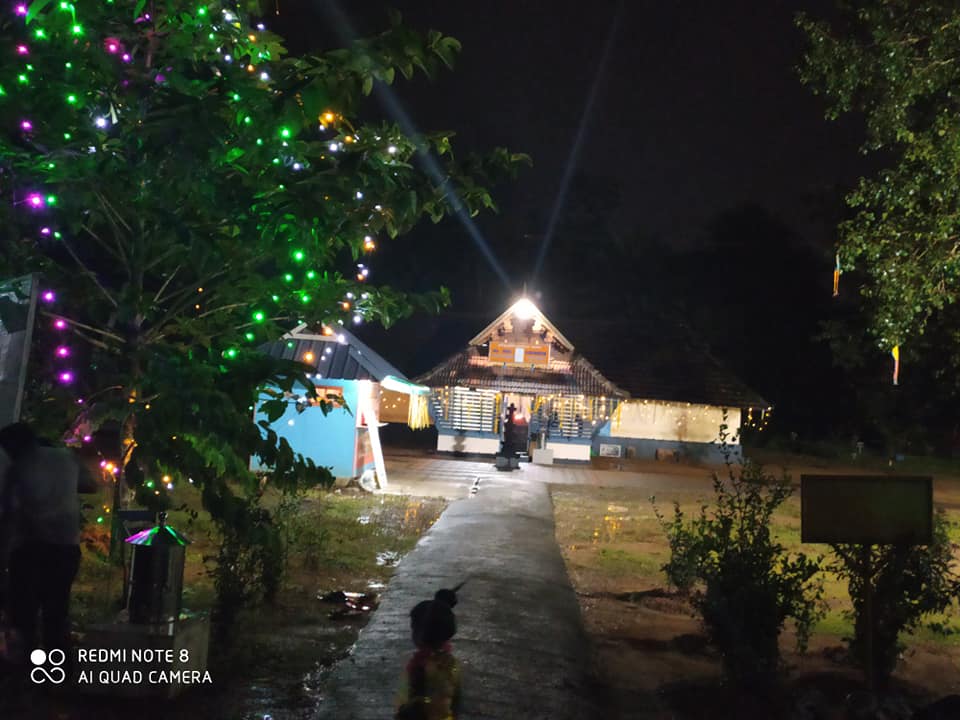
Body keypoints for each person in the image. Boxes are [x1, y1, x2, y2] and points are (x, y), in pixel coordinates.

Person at [0, 422, 95, 661]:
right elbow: (91, 484)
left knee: (24, 611)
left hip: (32, 546)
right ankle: (59, 668)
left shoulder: (18, 468)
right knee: (57, 610)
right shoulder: (65, 457)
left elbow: (10, 514)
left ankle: (27, 667)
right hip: (67, 546)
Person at [395, 587, 462, 720]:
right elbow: (455, 702)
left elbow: (412, 705)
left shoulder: (421, 666)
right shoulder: (450, 662)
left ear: (419, 635)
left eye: (413, 627)